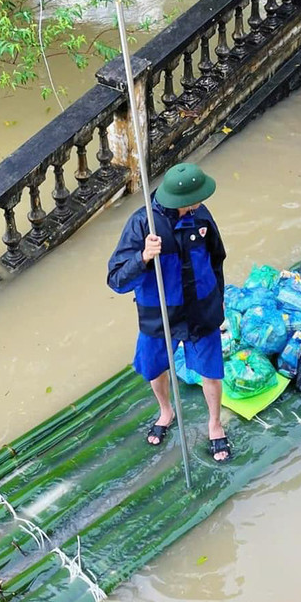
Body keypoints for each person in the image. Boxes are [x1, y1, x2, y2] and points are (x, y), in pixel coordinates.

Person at [107, 162, 231, 462]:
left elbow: (217, 258)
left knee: (211, 371)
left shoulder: (200, 216)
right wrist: (144, 256)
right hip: (160, 314)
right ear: (182, 200)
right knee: (154, 367)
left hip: (201, 312)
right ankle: (166, 411)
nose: (201, 203)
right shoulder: (143, 224)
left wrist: (218, 299)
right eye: (196, 198)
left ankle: (214, 423)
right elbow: (116, 280)